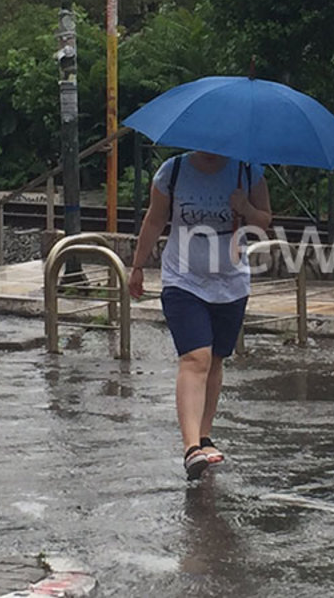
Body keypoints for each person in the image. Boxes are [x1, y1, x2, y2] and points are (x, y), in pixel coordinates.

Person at [128, 150, 272, 480]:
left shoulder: (248, 170)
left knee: (217, 358)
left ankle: (205, 437)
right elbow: (154, 219)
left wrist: (246, 209)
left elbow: (264, 220)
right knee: (196, 357)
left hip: (231, 282)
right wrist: (138, 266)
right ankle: (191, 447)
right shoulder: (172, 171)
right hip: (184, 279)